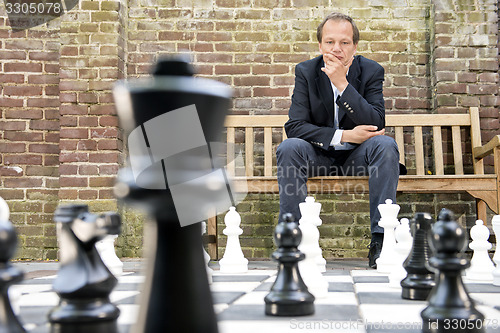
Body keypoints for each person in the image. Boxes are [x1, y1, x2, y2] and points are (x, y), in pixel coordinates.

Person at [276, 12, 403, 268]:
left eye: (344, 42)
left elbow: (377, 122)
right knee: (289, 147)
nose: (337, 49)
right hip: (317, 157)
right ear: (320, 45)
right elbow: (295, 126)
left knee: (386, 144)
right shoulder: (306, 71)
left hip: (357, 158)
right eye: (330, 42)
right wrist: (344, 135)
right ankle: (292, 239)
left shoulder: (370, 71)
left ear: (354, 46)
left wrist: (342, 84)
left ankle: (381, 240)